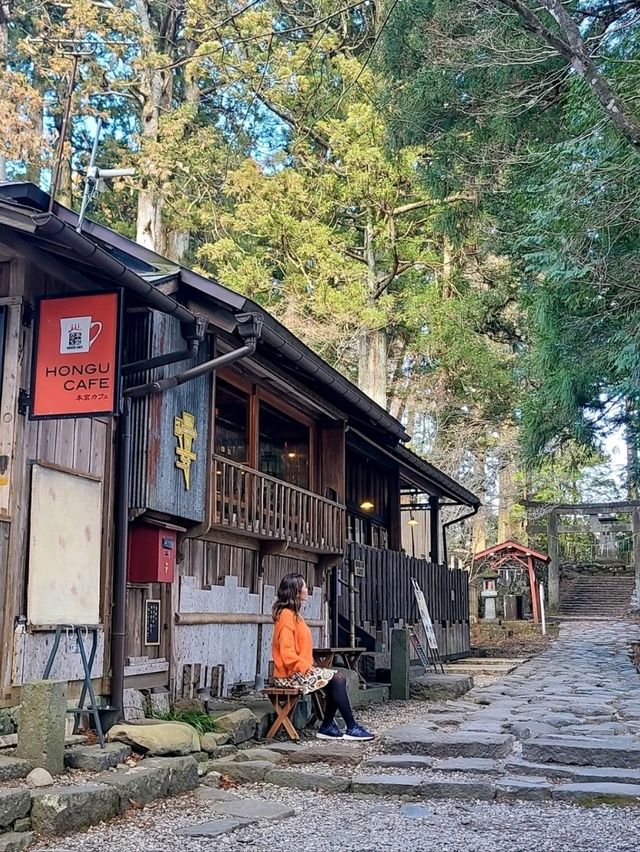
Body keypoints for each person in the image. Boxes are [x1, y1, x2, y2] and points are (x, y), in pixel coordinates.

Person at [271, 572, 374, 741]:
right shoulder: (286, 616)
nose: (307, 589)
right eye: (304, 586)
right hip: (289, 676)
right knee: (337, 678)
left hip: (298, 673)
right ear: (296, 592)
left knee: (335, 681)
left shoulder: (294, 614)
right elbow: (286, 653)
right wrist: (307, 668)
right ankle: (351, 727)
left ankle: (328, 726)